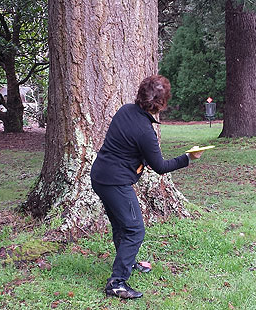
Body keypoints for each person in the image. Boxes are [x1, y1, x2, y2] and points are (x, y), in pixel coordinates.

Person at [90, 75, 203, 299]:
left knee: (122, 225)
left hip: (100, 176)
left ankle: (128, 262)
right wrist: (188, 158)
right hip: (115, 182)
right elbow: (160, 166)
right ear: (162, 103)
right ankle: (117, 282)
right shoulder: (145, 130)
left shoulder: (125, 111)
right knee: (135, 229)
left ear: (140, 94)